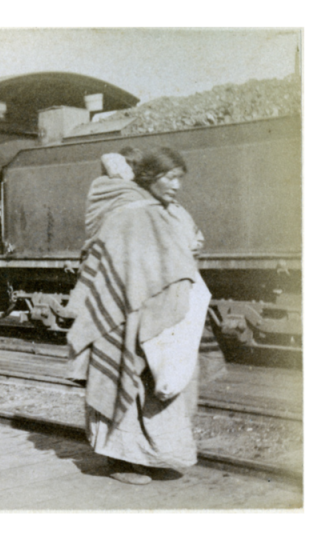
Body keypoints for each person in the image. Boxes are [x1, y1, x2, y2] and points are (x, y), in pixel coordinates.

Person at [67, 147, 210, 486]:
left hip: (158, 312)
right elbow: (113, 257)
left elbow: (185, 243)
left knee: (159, 383)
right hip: (122, 313)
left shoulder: (165, 210)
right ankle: (121, 458)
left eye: (179, 178)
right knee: (123, 380)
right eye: (169, 177)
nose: (176, 185)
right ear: (149, 176)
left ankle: (155, 454)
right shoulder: (129, 211)